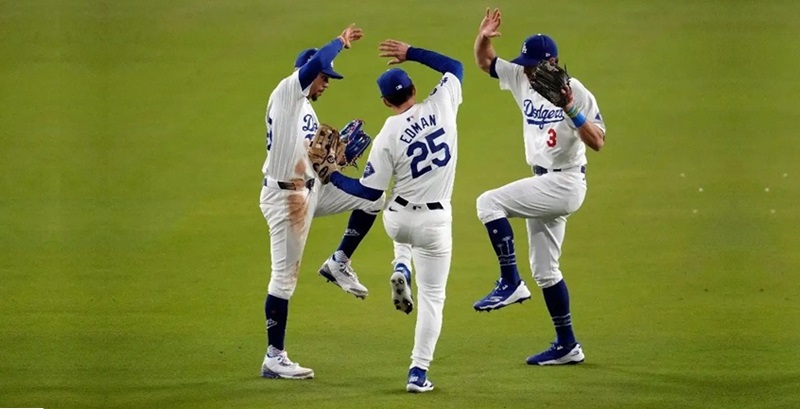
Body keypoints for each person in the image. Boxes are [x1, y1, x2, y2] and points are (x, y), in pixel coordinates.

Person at [322, 39, 462, 392]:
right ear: (415, 89)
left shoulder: (387, 133)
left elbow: (368, 194)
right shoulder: (443, 103)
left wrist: (332, 173)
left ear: (385, 102)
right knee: (433, 298)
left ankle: (401, 265)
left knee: (391, 201)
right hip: (435, 225)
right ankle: (418, 372)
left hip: (396, 221)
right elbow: (455, 67)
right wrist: (412, 51)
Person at [471, 8, 607, 366]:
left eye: (535, 65)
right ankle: (568, 345)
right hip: (542, 179)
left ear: (554, 63)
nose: (529, 71)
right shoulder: (521, 77)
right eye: (526, 64)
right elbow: (486, 63)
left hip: (566, 181)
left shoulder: (577, 92)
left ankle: (509, 282)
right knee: (547, 271)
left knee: (488, 203)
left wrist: (570, 108)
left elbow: (597, 142)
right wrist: (483, 36)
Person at [258, 24, 385, 380]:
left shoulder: (307, 109)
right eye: (324, 78)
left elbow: (313, 157)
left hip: (313, 189)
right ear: (307, 74)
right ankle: (274, 356)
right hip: (286, 200)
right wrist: (340, 43)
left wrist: (334, 160)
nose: (326, 83)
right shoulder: (286, 94)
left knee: (373, 198)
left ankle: (339, 262)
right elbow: (317, 66)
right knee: (283, 281)